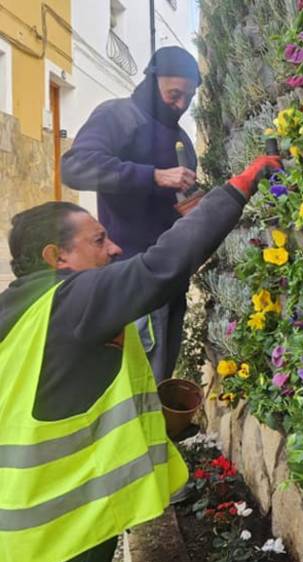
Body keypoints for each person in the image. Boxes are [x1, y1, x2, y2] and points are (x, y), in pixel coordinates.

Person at [0, 155, 280, 562]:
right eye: (98, 240)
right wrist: (238, 188)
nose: (114, 249)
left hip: (25, 526)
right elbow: (158, 270)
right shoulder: (69, 301)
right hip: (61, 536)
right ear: (56, 257)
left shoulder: (19, 311)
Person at [61, 46, 201, 383]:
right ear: (152, 83)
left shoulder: (183, 140)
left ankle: (155, 434)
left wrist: (193, 208)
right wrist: (154, 175)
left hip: (171, 278)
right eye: (174, 94)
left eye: (189, 97)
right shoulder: (118, 116)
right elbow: (75, 167)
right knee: (130, 378)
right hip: (130, 275)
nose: (180, 105)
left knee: (160, 375)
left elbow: (178, 200)